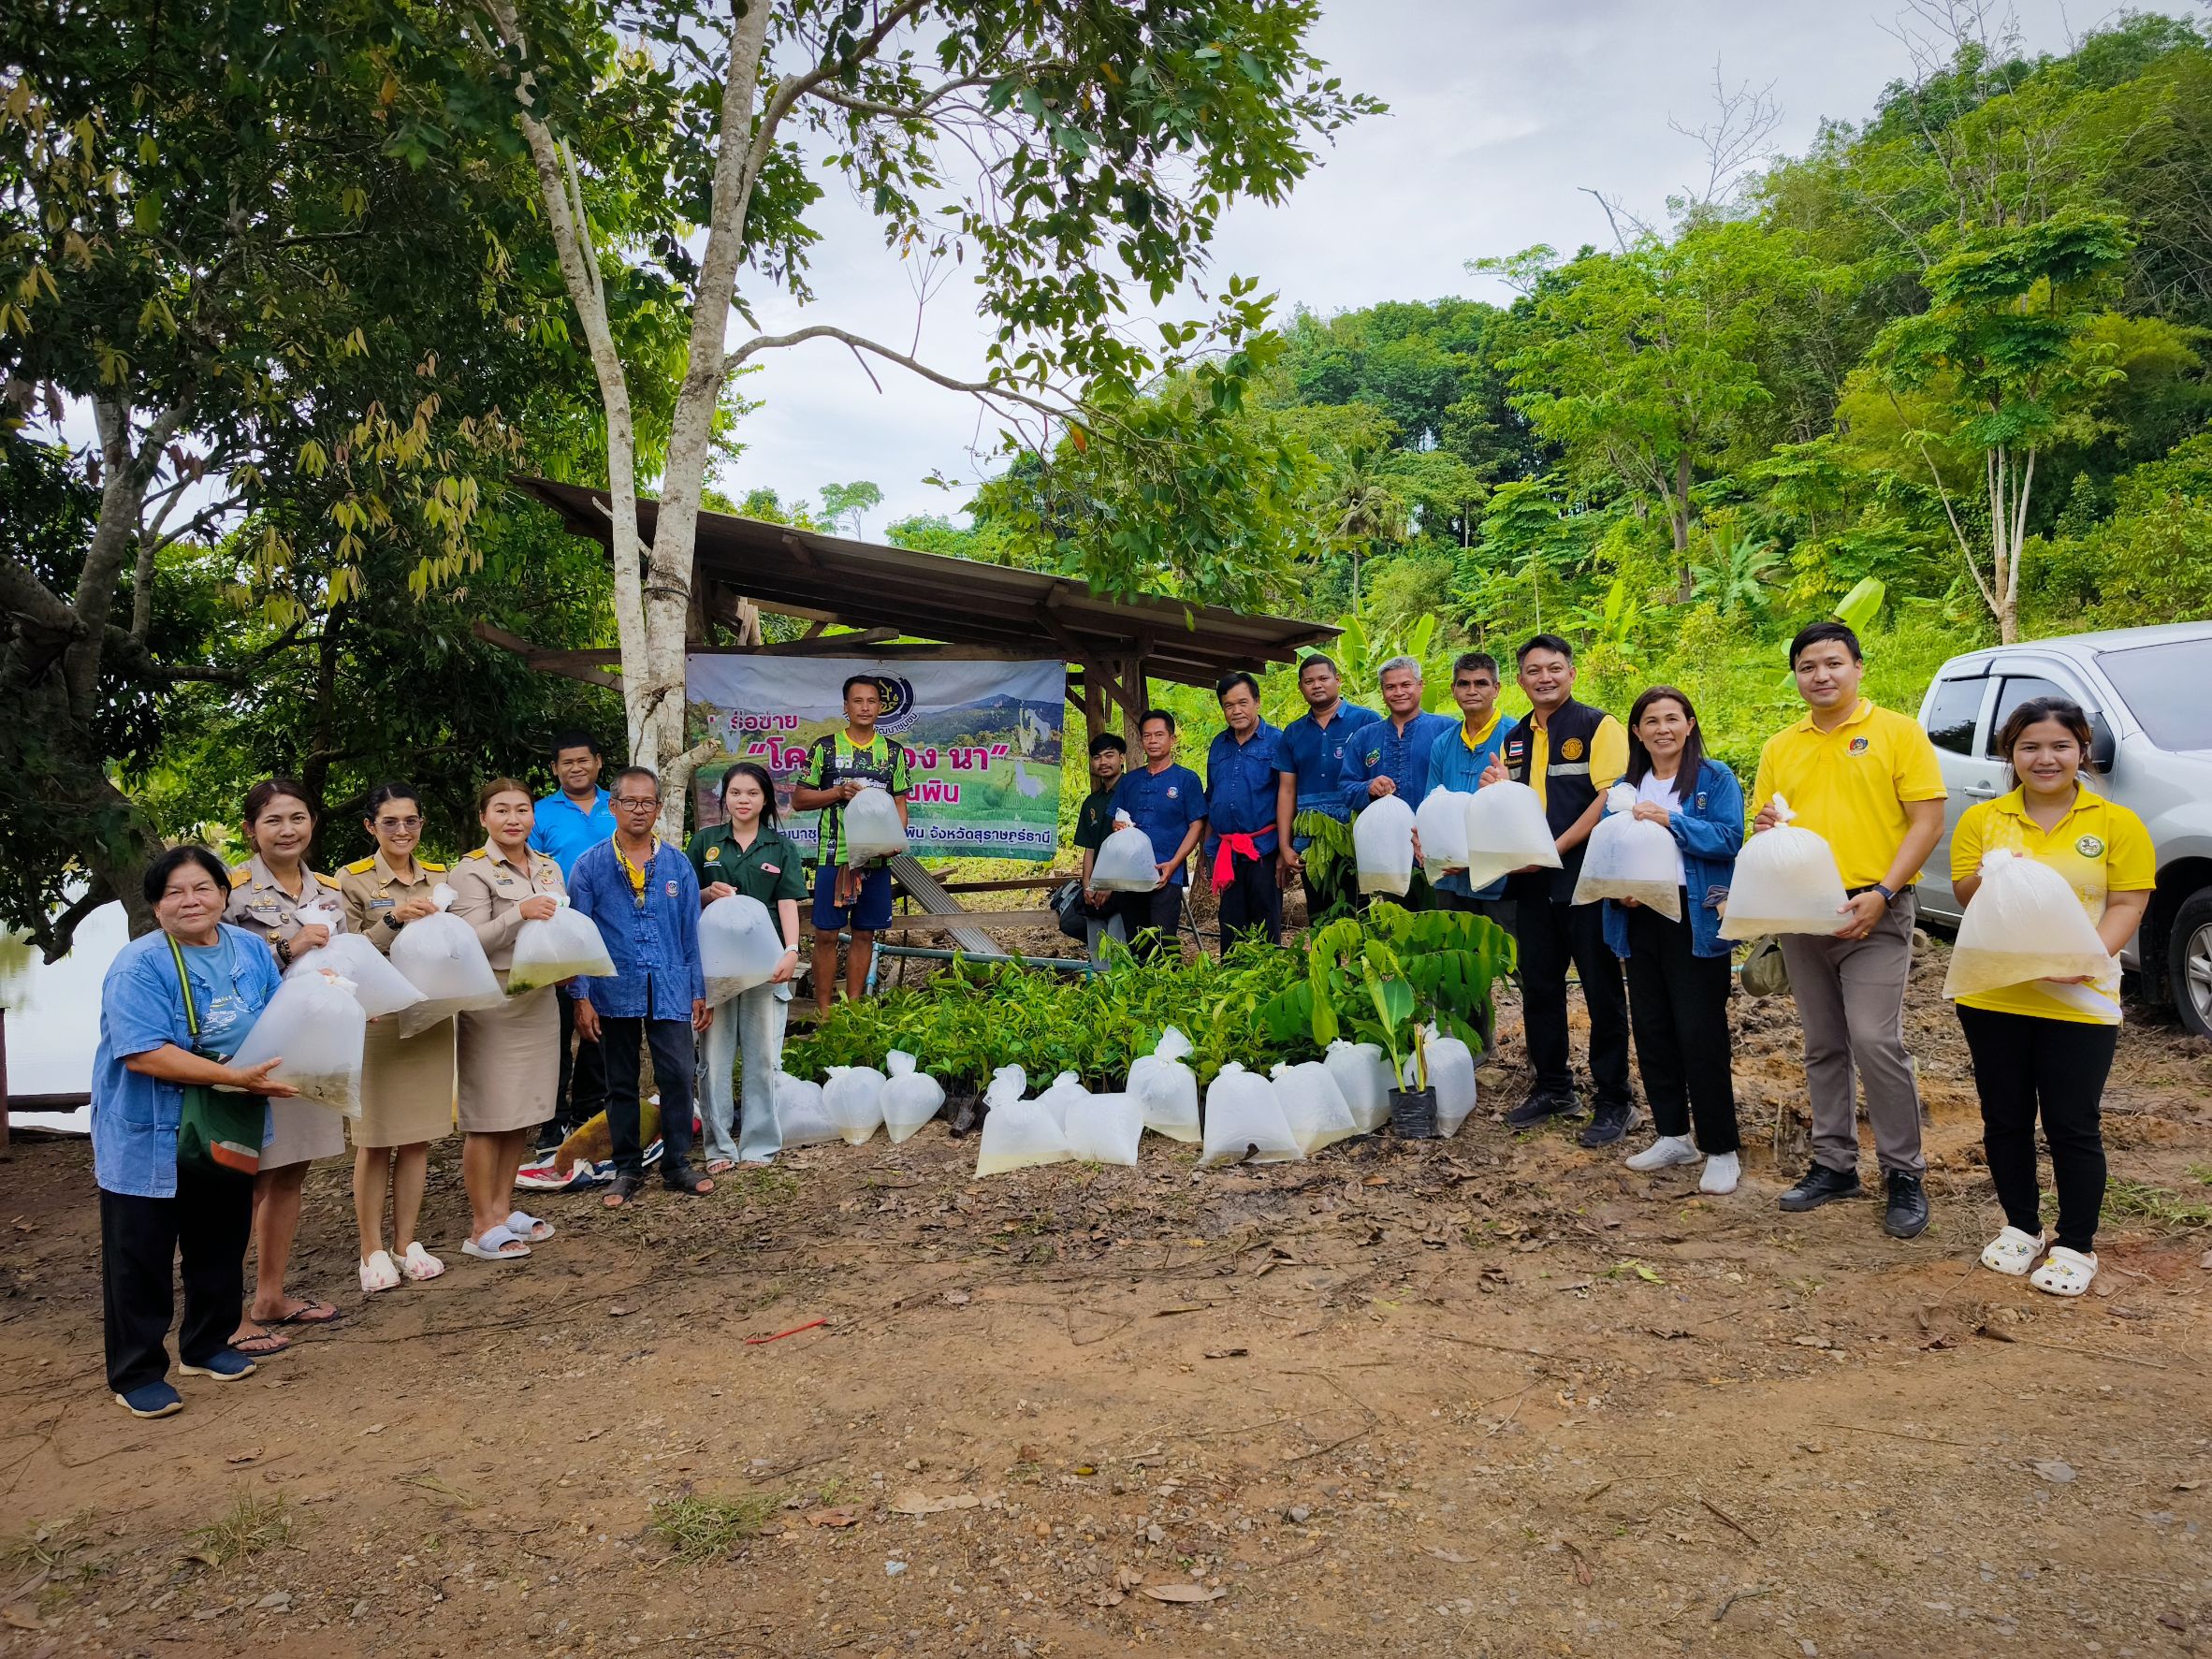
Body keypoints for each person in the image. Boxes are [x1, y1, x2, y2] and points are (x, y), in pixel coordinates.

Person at [1751, 620, 1947, 1240]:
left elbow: (1927, 821)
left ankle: (1903, 1172)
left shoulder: (1897, 732)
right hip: (1806, 914)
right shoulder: (1782, 745)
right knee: (1822, 1042)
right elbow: (1769, 826)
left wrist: (1883, 892)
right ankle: (1834, 1163)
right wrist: (1764, 827)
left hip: (1875, 908)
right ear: (1797, 675)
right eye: (1808, 666)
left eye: (1833, 662)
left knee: (1874, 1039)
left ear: (1858, 666)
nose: (1822, 675)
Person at [1949, 697, 2152, 1296]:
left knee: (2072, 1123)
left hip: (2080, 998)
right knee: (2005, 1118)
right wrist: (1991, 872)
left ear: (2081, 750)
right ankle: (2021, 1227)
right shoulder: (1984, 819)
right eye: (2029, 746)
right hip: (1996, 994)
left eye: (2060, 746)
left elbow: (2128, 902)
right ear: (2010, 753)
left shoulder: (2116, 822)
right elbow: (1965, 895)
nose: (2045, 758)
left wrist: (2085, 959)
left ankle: (2076, 1244)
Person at [95, 846, 296, 1418]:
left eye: (202, 888)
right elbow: (143, 1054)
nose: (190, 901)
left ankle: (207, 1345)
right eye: (174, 892)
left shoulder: (251, 949)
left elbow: (281, 1016)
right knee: (142, 1252)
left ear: (224, 895)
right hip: (150, 1131)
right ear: (156, 906)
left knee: (220, 1237)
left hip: (227, 1120)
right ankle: (136, 1372)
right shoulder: (139, 965)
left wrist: (338, 1007)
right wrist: (234, 1076)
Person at [1489, 634, 1635, 1146]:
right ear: (1522, 679)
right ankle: (1553, 1087)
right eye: (1533, 670)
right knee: (1541, 987)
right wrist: (1494, 792)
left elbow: (1611, 796)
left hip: (1586, 878)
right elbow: (1511, 803)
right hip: (1531, 883)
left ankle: (1615, 1099)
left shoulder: (1599, 726)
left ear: (1571, 673)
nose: (1544, 678)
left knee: (1600, 990)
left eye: (1554, 668)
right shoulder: (1514, 737)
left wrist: (1556, 846)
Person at [1599, 688, 1746, 1195]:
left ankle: (1721, 1147)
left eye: (1671, 719)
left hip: (1694, 919)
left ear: (1689, 724)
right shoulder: (1625, 787)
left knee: (1700, 1032)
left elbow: (1730, 838)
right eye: (1650, 721)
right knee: (1653, 1027)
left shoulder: (1714, 778)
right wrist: (1623, 894)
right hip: (1640, 919)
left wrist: (1673, 821)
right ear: (1636, 732)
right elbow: (1609, 850)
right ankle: (1672, 1134)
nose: (1662, 729)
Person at [222, 779, 347, 1351]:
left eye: (297, 817)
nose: (288, 829)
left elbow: (340, 963)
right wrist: (287, 948)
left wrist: (351, 1002)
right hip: (256, 1050)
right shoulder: (231, 891)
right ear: (252, 829)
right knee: (248, 1176)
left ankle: (269, 1296)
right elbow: (218, 970)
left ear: (312, 823)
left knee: (293, 1170)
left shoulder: (328, 890)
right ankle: (223, 1312)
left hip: (315, 1048)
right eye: (274, 820)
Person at [567, 765, 714, 1206]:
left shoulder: (678, 865)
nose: (638, 810)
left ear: (659, 807)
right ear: (613, 806)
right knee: (620, 1081)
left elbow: (690, 934)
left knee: (677, 1074)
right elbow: (579, 938)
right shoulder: (590, 865)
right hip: (614, 990)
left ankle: (677, 1164)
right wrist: (582, 997)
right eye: (629, 801)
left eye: (647, 802)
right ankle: (627, 1167)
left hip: (669, 985)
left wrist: (698, 989)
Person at [339, 782, 457, 1292]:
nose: (402, 830)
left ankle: (407, 1241)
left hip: (429, 1016)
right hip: (377, 1021)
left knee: (415, 1137)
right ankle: (370, 1249)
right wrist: (392, 918)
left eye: (411, 821)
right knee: (375, 1139)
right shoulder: (352, 880)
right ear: (371, 826)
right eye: (390, 822)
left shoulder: (441, 879)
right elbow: (342, 955)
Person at [446, 780, 568, 1262]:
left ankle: (502, 1208)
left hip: (538, 998)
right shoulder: (470, 872)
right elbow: (470, 941)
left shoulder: (549, 866)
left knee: (522, 1112)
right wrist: (519, 910)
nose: (513, 818)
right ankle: (481, 1226)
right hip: (494, 1001)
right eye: (502, 810)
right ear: (484, 818)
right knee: (488, 1115)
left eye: (522, 809)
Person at [688, 762, 806, 1171]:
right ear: (724, 798)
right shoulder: (705, 842)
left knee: (762, 1057)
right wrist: (705, 892)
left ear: (766, 799)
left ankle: (758, 1144)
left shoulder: (779, 847)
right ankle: (719, 1147)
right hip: (715, 967)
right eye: (735, 793)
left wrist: (791, 950)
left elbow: (788, 900)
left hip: (764, 965)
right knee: (714, 1059)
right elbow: (685, 901)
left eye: (752, 793)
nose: (743, 800)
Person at [793, 676, 911, 1015]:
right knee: (827, 936)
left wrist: (893, 840)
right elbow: (800, 799)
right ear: (845, 707)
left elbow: (900, 803)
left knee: (864, 935)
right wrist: (838, 793)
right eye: (857, 701)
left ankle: (855, 1011)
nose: (864, 707)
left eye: (871, 701)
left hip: (875, 859)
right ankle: (826, 1012)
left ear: (880, 707)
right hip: (834, 856)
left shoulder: (893, 753)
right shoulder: (825, 748)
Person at [530, 731, 616, 1155]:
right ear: (555, 769)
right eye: (567, 762)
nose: (576, 768)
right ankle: (551, 1120)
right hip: (558, 932)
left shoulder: (616, 806)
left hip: (611, 931)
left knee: (601, 1024)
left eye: (583, 760)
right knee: (558, 1029)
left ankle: (585, 1111)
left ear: (598, 762)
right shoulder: (540, 814)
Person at [1273, 654, 1380, 920]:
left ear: (1337, 680)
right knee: (1319, 913)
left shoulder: (1366, 721)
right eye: (1309, 681)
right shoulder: (1294, 732)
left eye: (1323, 678)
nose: (1317, 685)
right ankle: (1325, 962)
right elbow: (1286, 791)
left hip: (1354, 833)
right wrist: (1285, 846)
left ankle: (1361, 961)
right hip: (1311, 837)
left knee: (1359, 909)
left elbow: (1380, 779)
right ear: (1301, 688)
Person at [1420, 652, 1514, 924]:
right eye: (1463, 684)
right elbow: (1430, 801)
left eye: (1481, 683)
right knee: (1457, 955)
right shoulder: (1443, 743)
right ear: (1453, 690)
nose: (1471, 690)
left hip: (1500, 876)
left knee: (1507, 957)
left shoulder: (1516, 736)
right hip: (1449, 875)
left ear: (1496, 689)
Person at [1108, 709, 1207, 960]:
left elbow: (1197, 825)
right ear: (1141, 740)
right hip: (1130, 875)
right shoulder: (1130, 781)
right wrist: (1117, 826)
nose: (1153, 741)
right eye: (1147, 735)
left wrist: (1175, 863)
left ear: (1172, 739)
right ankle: (1139, 994)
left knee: (1164, 942)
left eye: (1159, 735)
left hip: (1166, 872)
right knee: (1136, 941)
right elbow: (1116, 819)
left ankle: (1169, 994)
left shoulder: (1186, 779)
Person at [1203, 672, 1286, 948]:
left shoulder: (1277, 741)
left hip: (1264, 848)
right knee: (1230, 924)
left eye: (1243, 703)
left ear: (1257, 702)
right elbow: (1212, 796)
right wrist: (1207, 850)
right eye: (1229, 705)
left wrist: (1285, 850)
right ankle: (1232, 983)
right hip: (1226, 851)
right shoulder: (1218, 744)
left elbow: (1288, 796)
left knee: (1265, 923)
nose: (1236, 711)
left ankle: (1267, 984)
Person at [1339, 655, 1456, 817]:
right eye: (1391, 687)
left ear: (1420, 685)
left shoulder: (1446, 730)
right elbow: (1346, 788)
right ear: (1382, 691)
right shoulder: (1365, 737)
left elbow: (1460, 782)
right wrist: (1368, 788)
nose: (1399, 692)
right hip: (1381, 834)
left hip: (1434, 832)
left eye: (1406, 685)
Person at [1072, 733, 1129, 962]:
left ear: (1122, 758)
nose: (1103, 762)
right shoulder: (1092, 802)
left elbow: (1131, 847)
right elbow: (1089, 848)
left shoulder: (1132, 793)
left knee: (1119, 949)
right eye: (1097, 757)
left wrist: (1112, 885)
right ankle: (1099, 990)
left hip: (1125, 887)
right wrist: (1087, 885)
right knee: (1097, 950)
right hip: (1096, 887)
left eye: (1109, 755)